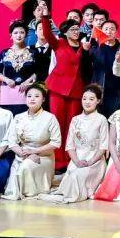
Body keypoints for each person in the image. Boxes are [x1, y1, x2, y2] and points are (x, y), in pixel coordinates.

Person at [38, 85, 109, 203]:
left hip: (94, 162)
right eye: (84, 98)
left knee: (76, 177)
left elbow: (103, 147)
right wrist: (76, 161)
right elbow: (70, 146)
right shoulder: (75, 120)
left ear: (98, 101)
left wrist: (90, 162)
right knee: (70, 179)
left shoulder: (101, 119)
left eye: (91, 99)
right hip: (77, 160)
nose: (87, 102)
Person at [40, 9, 91, 172]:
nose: (76, 32)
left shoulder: (84, 46)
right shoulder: (59, 43)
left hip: (76, 91)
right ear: (65, 32)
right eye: (72, 29)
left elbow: (87, 68)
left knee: (72, 126)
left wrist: (87, 51)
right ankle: (57, 159)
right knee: (57, 124)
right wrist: (45, 16)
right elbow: (47, 34)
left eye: (77, 29)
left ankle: (70, 158)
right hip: (57, 89)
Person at [2, 85, 62, 200]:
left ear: (43, 99)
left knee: (26, 167)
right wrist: (25, 154)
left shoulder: (50, 118)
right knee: (16, 176)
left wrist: (35, 151)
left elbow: (56, 143)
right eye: (29, 96)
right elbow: (12, 141)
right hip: (22, 155)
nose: (32, 99)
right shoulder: (18, 117)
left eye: (36, 96)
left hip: (43, 156)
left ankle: (32, 191)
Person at [0, 21, 37, 114]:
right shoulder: (4, 53)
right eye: (16, 33)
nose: (19, 35)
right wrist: (6, 80)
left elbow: (37, 72)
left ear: (26, 35)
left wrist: (28, 81)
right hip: (8, 93)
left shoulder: (33, 53)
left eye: (22, 32)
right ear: (11, 35)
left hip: (27, 92)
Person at [89, 18, 120, 117]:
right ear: (101, 31)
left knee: (114, 118)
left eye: (112, 29)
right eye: (106, 29)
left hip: (116, 90)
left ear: (116, 32)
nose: (109, 31)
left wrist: (119, 61)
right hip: (98, 89)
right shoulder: (95, 48)